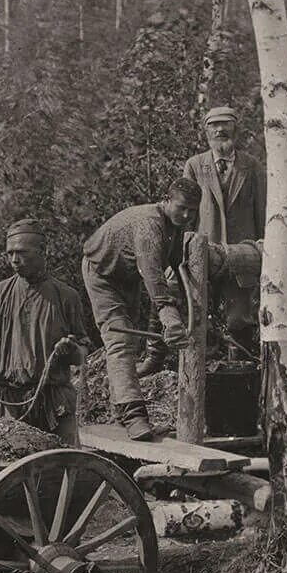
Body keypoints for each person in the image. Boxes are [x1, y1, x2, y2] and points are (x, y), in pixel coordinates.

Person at [81, 178, 201, 441]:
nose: (186, 215)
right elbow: (154, 277)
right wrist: (171, 319)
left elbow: (176, 266)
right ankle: (134, 416)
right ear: (166, 200)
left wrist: (193, 309)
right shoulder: (149, 225)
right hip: (102, 273)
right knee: (120, 340)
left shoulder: (175, 225)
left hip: (126, 277)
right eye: (182, 208)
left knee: (131, 343)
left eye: (193, 211)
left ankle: (119, 414)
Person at [0, 220, 93, 445]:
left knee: (65, 464)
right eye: (10, 253)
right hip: (8, 405)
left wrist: (71, 350)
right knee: (8, 468)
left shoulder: (67, 296)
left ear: (43, 251)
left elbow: (81, 356)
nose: (14, 260)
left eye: (21, 252)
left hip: (54, 402)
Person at [179, 105, 266, 362]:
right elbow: (187, 214)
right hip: (205, 254)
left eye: (225, 125)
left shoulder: (252, 166)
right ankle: (205, 380)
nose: (220, 130)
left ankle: (240, 379)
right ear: (205, 132)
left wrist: (262, 247)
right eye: (214, 126)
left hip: (243, 255)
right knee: (201, 318)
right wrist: (183, 250)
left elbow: (262, 209)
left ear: (235, 129)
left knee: (240, 319)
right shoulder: (195, 166)